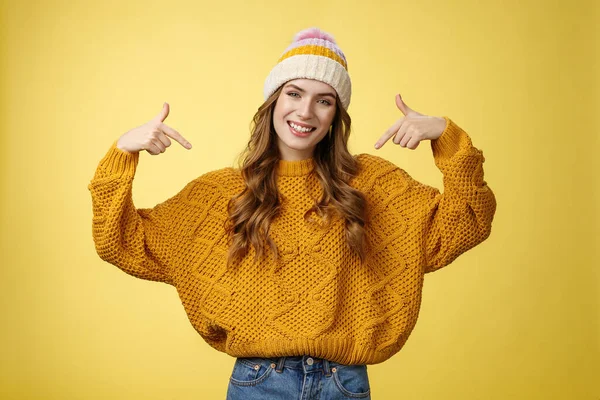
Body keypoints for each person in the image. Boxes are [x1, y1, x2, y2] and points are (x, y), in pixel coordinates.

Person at [88, 27, 497, 400]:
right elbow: (120, 241)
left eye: (324, 101)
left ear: (336, 115)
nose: (305, 112)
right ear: (273, 101)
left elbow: (467, 221)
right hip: (259, 383)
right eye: (294, 93)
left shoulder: (372, 183)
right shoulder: (219, 193)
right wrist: (122, 153)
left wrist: (446, 137)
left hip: (345, 383)